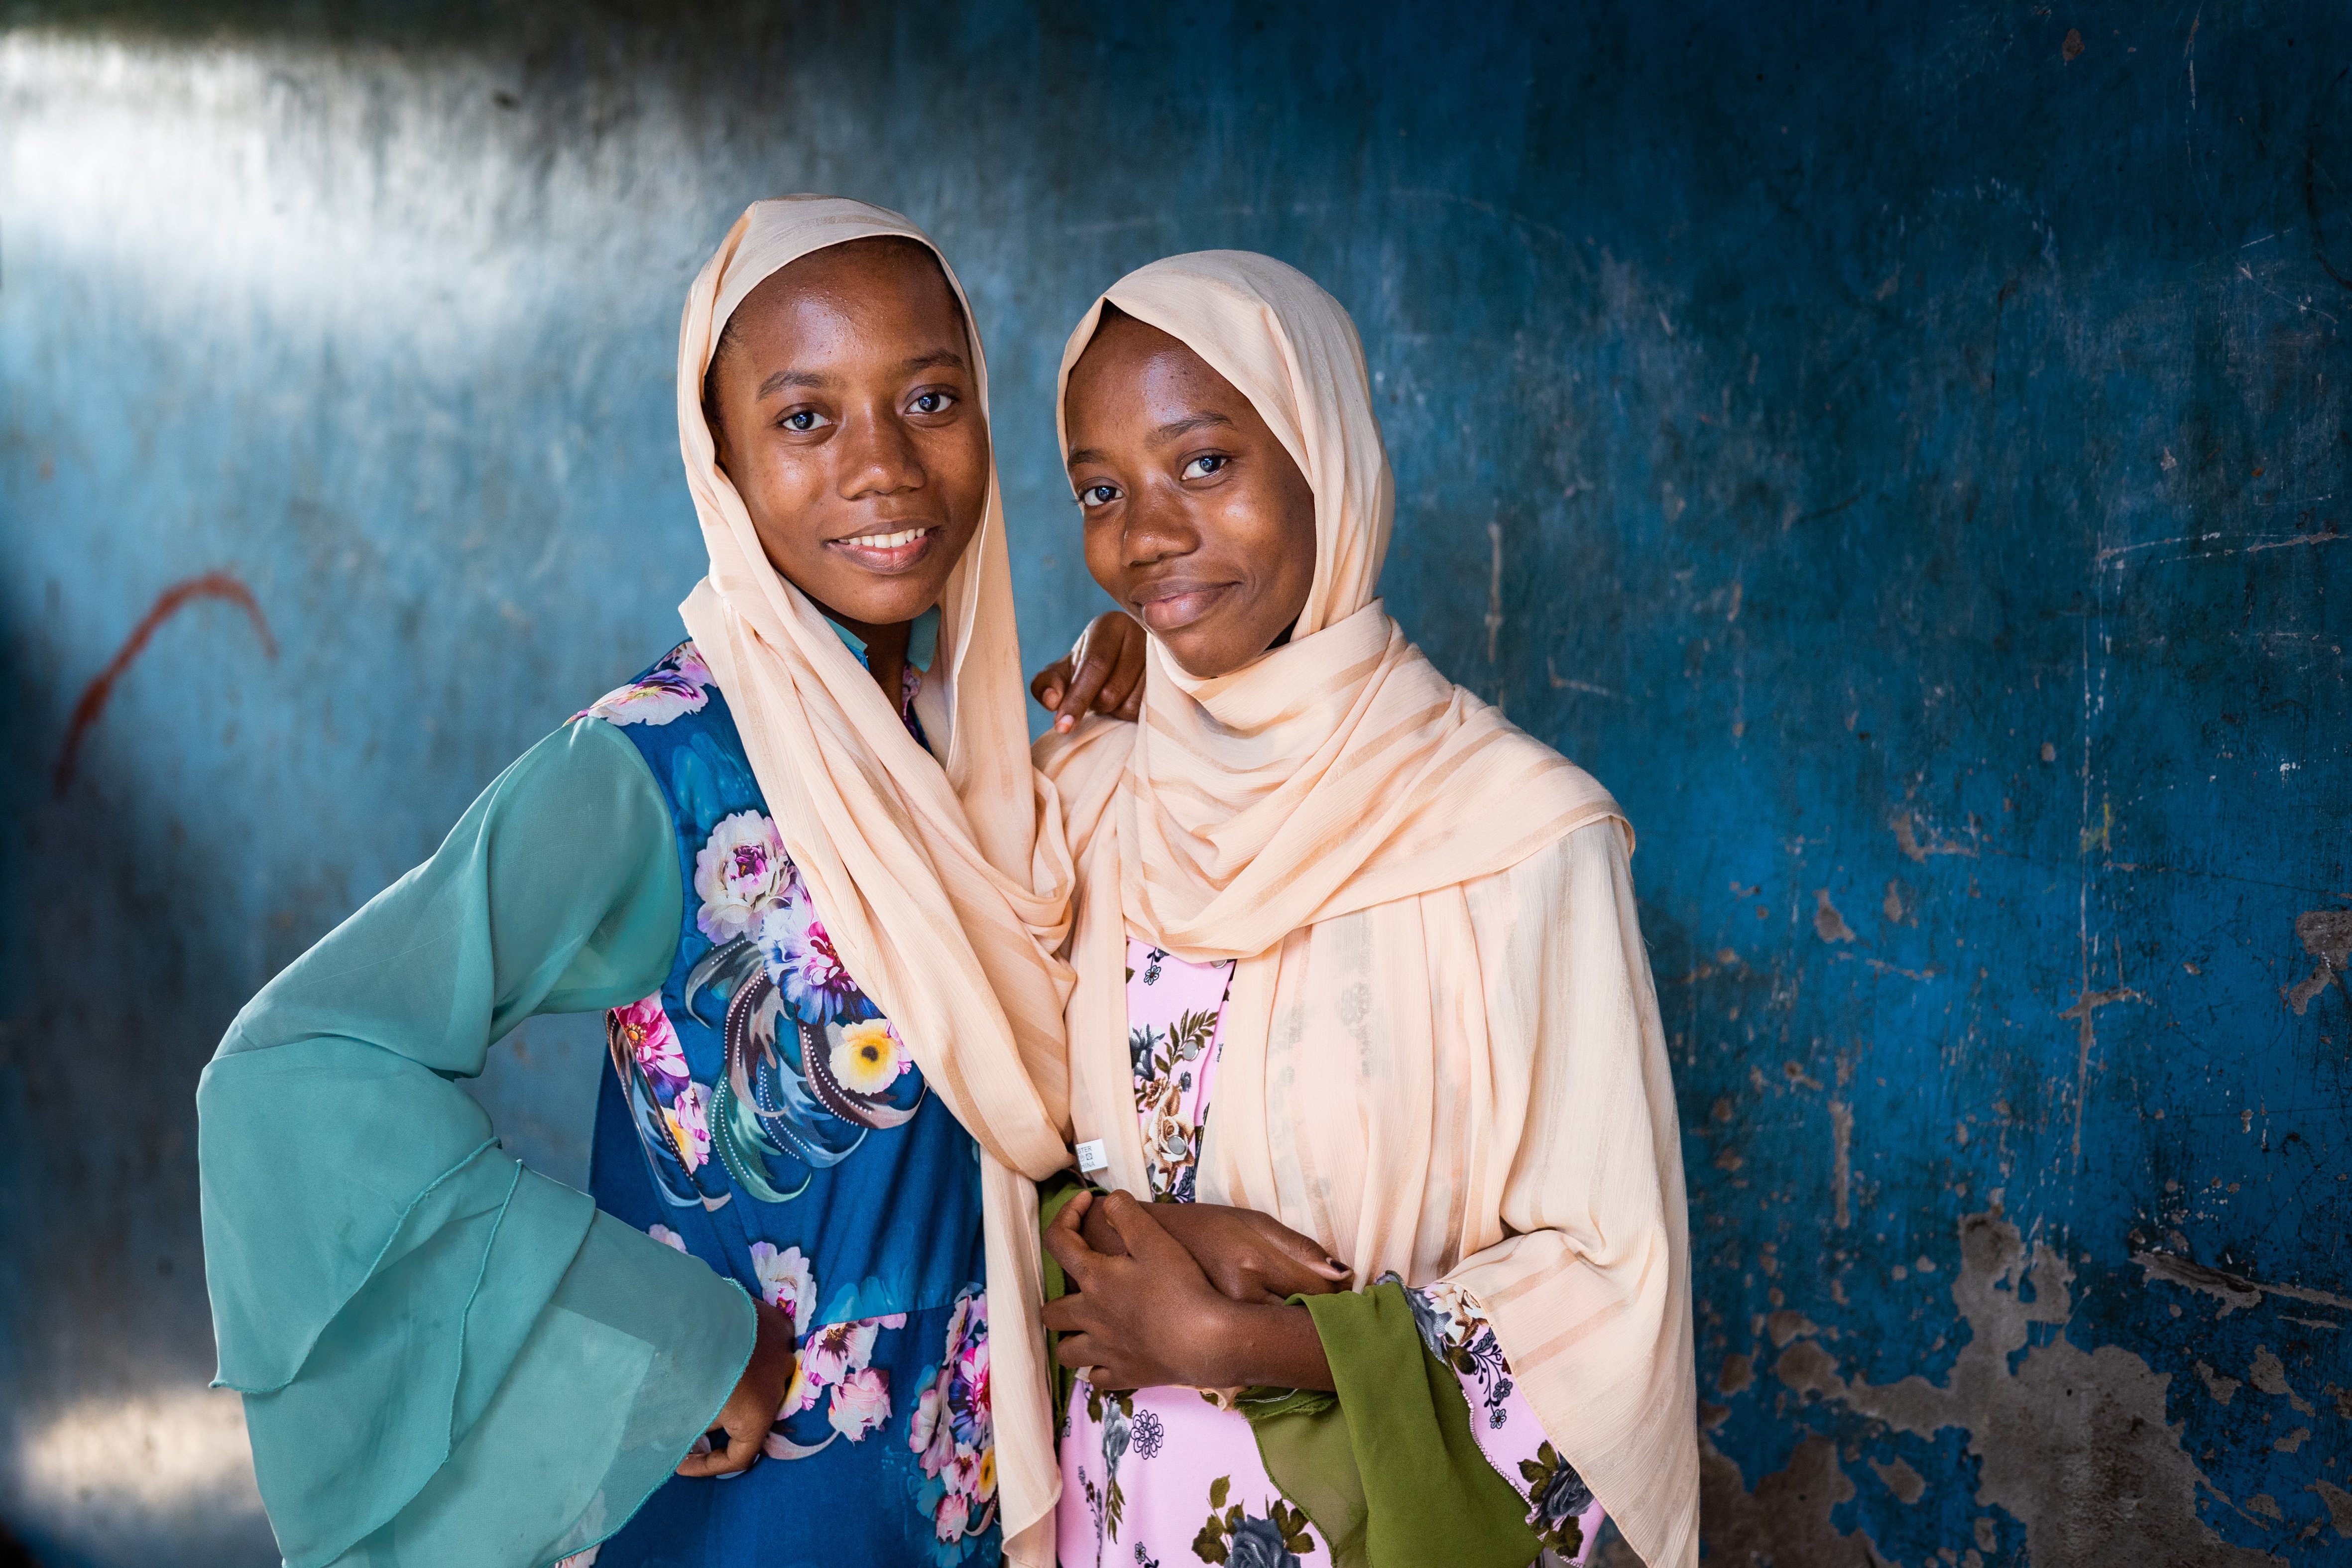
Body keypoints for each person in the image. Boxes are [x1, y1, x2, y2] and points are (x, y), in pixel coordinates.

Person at [196, 197, 1151, 1568]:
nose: (883, 466)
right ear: (721, 459)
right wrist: (678, 1346)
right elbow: (295, 1066)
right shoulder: (656, 769)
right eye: (806, 419)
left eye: (930, 399)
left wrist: (1146, 688)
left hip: (996, 1485)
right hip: (767, 1499)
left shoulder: (987, 754)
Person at [1030, 253, 1700, 1568]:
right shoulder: (1090, 795)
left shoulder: (1514, 833)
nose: (1147, 536)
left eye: (1206, 464)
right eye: (1102, 491)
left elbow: (1607, 1279)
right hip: (1115, 1518)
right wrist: (1134, 1235)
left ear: (1323, 457)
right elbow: (998, 1142)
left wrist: (1241, 1344)